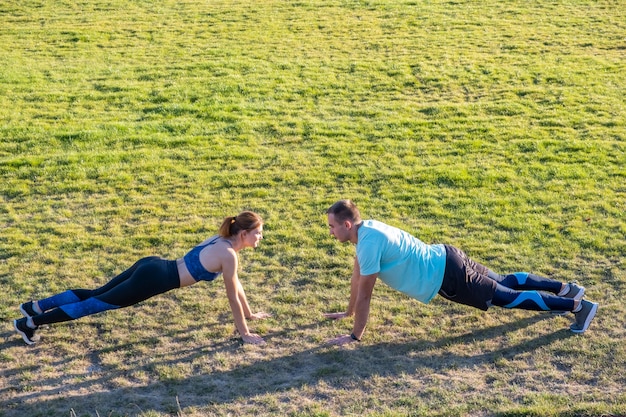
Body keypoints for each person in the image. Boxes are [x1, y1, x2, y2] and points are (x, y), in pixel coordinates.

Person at [323, 200, 599, 345]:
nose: (330, 232)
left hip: (448, 276)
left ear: (347, 224)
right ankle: (566, 289)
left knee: (505, 297)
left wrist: (355, 335)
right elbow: (357, 279)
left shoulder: (368, 245)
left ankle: (579, 307)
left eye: (332, 227)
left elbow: (365, 296)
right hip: (447, 255)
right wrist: (347, 313)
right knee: (503, 281)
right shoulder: (367, 231)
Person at [14, 211, 272, 346]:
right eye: (258, 233)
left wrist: (249, 314)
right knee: (95, 304)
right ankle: (30, 323)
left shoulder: (222, 240)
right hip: (152, 280)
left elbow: (236, 285)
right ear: (245, 233)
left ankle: (34, 307)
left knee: (95, 293)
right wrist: (245, 332)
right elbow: (231, 296)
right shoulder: (229, 255)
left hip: (153, 264)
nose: (260, 238)